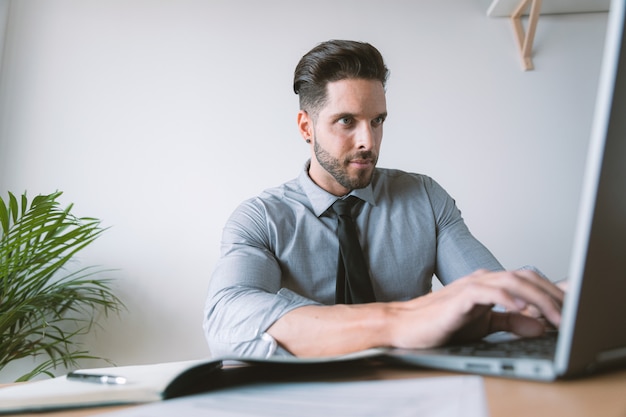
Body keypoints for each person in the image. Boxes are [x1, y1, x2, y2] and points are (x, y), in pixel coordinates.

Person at [203, 40, 563, 358]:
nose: (369, 142)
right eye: (347, 121)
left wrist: (538, 300)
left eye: (377, 120)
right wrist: (397, 321)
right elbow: (227, 318)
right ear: (305, 127)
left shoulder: (425, 197)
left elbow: (490, 293)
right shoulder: (261, 219)